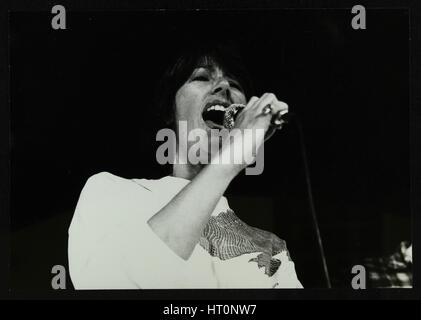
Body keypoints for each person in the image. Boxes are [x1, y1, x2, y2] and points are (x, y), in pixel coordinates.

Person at [68, 43, 303, 289]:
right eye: (201, 77)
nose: (224, 87)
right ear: (171, 110)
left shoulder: (272, 248)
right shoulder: (111, 192)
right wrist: (232, 157)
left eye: (235, 84)